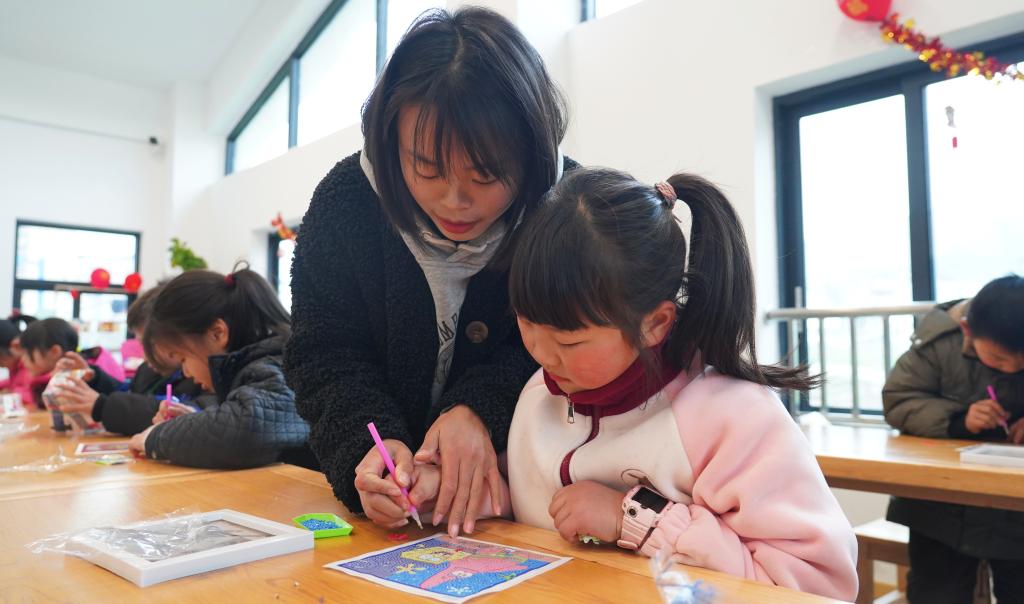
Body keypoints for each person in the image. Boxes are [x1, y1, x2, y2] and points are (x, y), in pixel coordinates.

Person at [501, 168, 857, 600]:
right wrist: (477, 494)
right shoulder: (540, 392)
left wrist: (634, 518)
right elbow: (534, 516)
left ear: (654, 324)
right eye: (526, 322)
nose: (541, 353)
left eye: (568, 341)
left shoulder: (732, 417)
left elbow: (816, 587)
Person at [285, 6, 573, 535]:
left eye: (486, 174)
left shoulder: (568, 211)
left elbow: (576, 348)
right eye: (426, 167)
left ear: (531, 153)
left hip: (532, 508)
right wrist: (370, 446)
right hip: (398, 521)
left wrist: (479, 409)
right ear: (390, 141)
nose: (454, 199)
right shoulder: (347, 202)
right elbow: (324, 353)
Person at [883, 274, 1024, 603]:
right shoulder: (937, 344)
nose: (1010, 369)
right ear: (966, 330)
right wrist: (959, 420)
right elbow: (899, 400)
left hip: (1018, 507)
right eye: (998, 359)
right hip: (941, 506)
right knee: (938, 594)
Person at [129, 267, 315, 470]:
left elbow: (248, 430)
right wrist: (194, 423)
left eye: (183, 359)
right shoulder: (261, 362)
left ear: (217, 333)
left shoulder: (275, 362)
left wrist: (157, 437)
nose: (186, 372)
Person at [51, 286, 206, 435]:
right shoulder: (147, 370)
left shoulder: (201, 377)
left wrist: (103, 406)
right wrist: (94, 378)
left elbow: (181, 411)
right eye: (141, 345)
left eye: (151, 345)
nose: (145, 355)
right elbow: (127, 393)